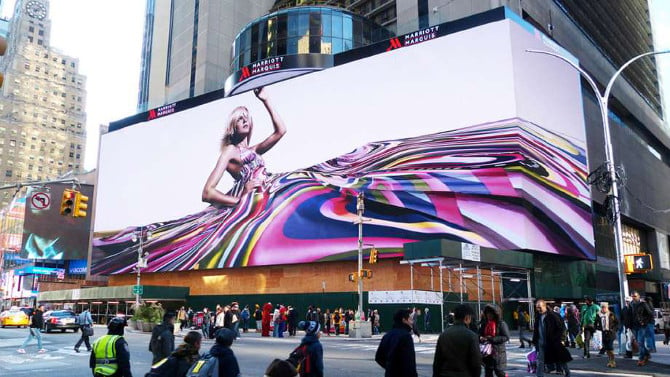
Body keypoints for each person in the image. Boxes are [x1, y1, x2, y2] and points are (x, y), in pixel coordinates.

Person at [432, 304, 481, 377]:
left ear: (454, 317)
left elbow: (437, 362)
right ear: (467, 318)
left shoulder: (443, 335)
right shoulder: (472, 336)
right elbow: (476, 363)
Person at [532, 299, 572, 377]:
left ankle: (567, 372)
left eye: (539, 307)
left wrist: (561, 339)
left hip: (553, 342)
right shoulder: (538, 317)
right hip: (541, 342)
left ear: (544, 306)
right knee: (540, 360)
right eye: (537, 307)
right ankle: (539, 375)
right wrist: (534, 341)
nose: (538, 309)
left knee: (560, 358)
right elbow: (536, 330)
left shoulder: (553, 315)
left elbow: (562, 328)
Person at [375, 309, 417, 377]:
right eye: (410, 319)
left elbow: (378, 357)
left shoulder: (387, 336)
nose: (412, 322)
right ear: (404, 320)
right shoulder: (406, 337)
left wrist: (390, 367)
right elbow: (410, 364)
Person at [479, 304, 510, 377]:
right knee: (488, 372)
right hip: (486, 352)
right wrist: (480, 338)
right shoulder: (484, 324)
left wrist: (491, 339)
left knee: (499, 371)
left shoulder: (501, 324)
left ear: (495, 314)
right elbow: (479, 334)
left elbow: (506, 337)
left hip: (498, 352)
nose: (489, 315)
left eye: (491, 313)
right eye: (487, 313)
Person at [629, 291, 653, 366]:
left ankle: (641, 359)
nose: (633, 298)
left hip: (641, 326)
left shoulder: (643, 304)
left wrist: (644, 322)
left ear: (638, 296)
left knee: (640, 342)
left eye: (635, 296)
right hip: (633, 326)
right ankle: (647, 354)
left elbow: (650, 314)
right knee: (639, 343)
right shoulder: (631, 304)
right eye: (632, 296)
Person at [595, 303, 619, 368]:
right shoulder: (598, 315)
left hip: (610, 333)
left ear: (607, 307)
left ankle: (613, 361)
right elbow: (595, 323)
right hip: (603, 333)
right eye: (602, 307)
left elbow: (617, 323)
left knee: (610, 346)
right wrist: (597, 329)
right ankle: (610, 360)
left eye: (605, 307)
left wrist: (613, 329)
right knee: (606, 347)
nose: (603, 308)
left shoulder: (611, 314)